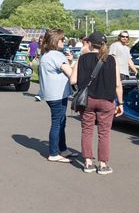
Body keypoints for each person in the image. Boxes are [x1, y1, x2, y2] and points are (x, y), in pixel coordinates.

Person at [70, 32, 122, 175]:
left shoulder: (82, 58)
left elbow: (72, 81)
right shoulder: (112, 60)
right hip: (107, 101)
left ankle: (88, 163)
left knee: (87, 130)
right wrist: (121, 103)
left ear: (90, 43)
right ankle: (103, 164)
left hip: (87, 100)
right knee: (104, 133)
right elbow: (118, 84)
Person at [38, 29, 75, 163]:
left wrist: (68, 61)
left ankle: (62, 148)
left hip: (50, 94)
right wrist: (74, 62)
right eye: (62, 39)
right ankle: (54, 153)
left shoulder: (46, 55)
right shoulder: (57, 55)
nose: (64, 42)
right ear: (55, 41)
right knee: (57, 122)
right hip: (58, 94)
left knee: (60, 121)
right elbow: (71, 74)